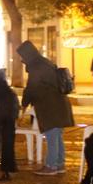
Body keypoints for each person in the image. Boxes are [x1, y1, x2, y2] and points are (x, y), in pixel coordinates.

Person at [19, 40, 74, 176]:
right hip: (59, 104)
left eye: (22, 56)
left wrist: (24, 105)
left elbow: (31, 87)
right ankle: (59, 164)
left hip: (51, 106)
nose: (22, 59)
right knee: (57, 135)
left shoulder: (36, 66)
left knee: (52, 136)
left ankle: (51, 166)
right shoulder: (44, 62)